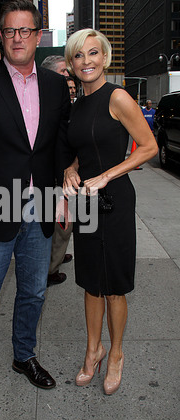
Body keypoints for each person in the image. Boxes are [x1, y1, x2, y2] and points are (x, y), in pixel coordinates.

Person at [0, 0, 71, 417]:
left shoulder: (57, 86)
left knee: (34, 293)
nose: (17, 38)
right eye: (9, 31)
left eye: (26, 30)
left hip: (39, 206)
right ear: (1, 36)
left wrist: (61, 195)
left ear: (38, 36)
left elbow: (58, 145)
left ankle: (24, 356)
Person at [62, 29, 158, 395]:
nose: (86, 61)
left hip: (115, 199)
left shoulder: (117, 97)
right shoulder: (76, 106)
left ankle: (115, 354)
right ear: (71, 64)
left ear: (105, 57)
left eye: (92, 54)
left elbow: (147, 147)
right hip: (86, 199)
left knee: (114, 285)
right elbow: (79, 148)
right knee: (90, 282)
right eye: (78, 56)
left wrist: (106, 174)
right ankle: (93, 350)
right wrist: (70, 169)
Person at [40, 55, 73, 286]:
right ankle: (51, 269)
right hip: (55, 178)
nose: (68, 76)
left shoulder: (61, 101)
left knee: (63, 225)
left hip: (65, 175)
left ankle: (58, 258)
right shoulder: (45, 104)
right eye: (63, 72)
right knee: (61, 225)